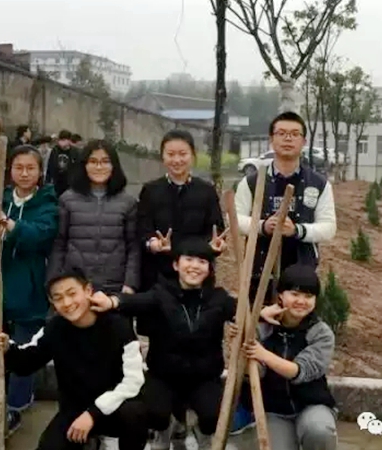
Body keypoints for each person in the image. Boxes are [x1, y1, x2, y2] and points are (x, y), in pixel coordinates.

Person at [231, 111, 336, 435]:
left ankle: (303, 400)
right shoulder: (253, 181)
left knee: (295, 333)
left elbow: (329, 227)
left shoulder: (318, 183)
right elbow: (235, 220)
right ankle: (247, 405)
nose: (287, 138)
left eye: (294, 133)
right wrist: (264, 226)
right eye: (281, 133)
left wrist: (298, 229)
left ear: (303, 141)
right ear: (271, 139)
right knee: (256, 334)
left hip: (300, 274)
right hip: (260, 273)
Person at [90, 238, 235, 450]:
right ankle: (165, 432)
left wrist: (259, 314)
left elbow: (242, 314)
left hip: (204, 376)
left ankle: (201, 434)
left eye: (202, 261)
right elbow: (134, 302)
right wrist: (112, 301)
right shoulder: (161, 294)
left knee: (213, 415)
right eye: (189, 259)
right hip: (164, 375)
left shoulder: (219, 298)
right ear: (176, 265)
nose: (195, 266)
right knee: (155, 413)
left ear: (209, 268)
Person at [0, 270, 149, 450]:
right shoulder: (55, 328)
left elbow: (133, 382)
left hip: (115, 408)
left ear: (88, 290)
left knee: (135, 414)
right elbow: (27, 361)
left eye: (72, 294)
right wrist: (6, 347)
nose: (67, 303)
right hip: (74, 411)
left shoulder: (119, 326)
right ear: (52, 302)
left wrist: (93, 414)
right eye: (58, 298)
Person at [0, 144, 58, 433]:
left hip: (28, 292)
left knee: (22, 349)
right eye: (18, 168)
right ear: (9, 172)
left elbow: (40, 236)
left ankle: (18, 405)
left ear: (39, 172)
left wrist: (11, 225)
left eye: (30, 168)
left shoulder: (47, 204)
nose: (24, 173)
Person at [240, 264, 338, 450]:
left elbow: (299, 371)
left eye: (308, 296)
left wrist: (264, 354)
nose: (301, 301)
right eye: (294, 294)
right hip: (273, 411)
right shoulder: (261, 329)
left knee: (319, 431)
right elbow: (254, 372)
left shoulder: (321, 333)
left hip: (311, 405)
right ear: (280, 295)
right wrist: (244, 342)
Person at [137, 129, 226, 291]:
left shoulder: (206, 191)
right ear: (162, 157)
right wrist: (153, 244)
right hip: (157, 276)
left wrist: (214, 246)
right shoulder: (150, 191)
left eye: (183, 154)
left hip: (196, 276)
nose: (177, 160)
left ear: (192, 155)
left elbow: (216, 229)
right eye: (171, 154)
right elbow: (142, 230)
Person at [48, 139, 140, 295]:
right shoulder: (67, 200)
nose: (99, 167)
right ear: (84, 165)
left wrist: (130, 284)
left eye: (105, 162)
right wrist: (53, 281)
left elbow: (133, 248)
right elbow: (59, 244)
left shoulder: (128, 202)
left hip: (115, 288)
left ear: (114, 166)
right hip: (76, 288)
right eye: (93, 161)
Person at [46, 129, 80, 196]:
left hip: (69, 182)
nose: (62, 143)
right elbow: (50, 166)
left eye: (64, 140)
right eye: (61, 140)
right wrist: (48, 181)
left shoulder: (75, 152)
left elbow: (78, 167)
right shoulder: (55, 150)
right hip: (57, 181)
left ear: (69, 141)